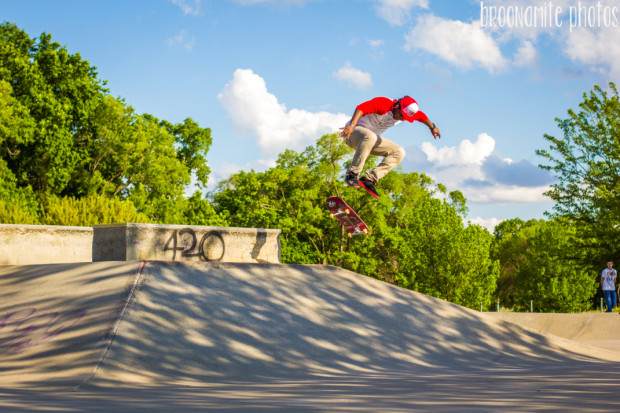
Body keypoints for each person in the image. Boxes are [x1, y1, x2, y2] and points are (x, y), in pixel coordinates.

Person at [340, 96, 440, 198]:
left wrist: (432, 127)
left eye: (404, 117)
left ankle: (369, 179)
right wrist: (352, 125)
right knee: (371, 136)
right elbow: (361, 108)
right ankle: (352, 174)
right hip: (352, 134)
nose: (401, 118)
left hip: (368, 142)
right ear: (397, 106)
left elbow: (422, 117)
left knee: (399, 152)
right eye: (401, 114)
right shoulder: (384, 104)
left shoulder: (407, 112)